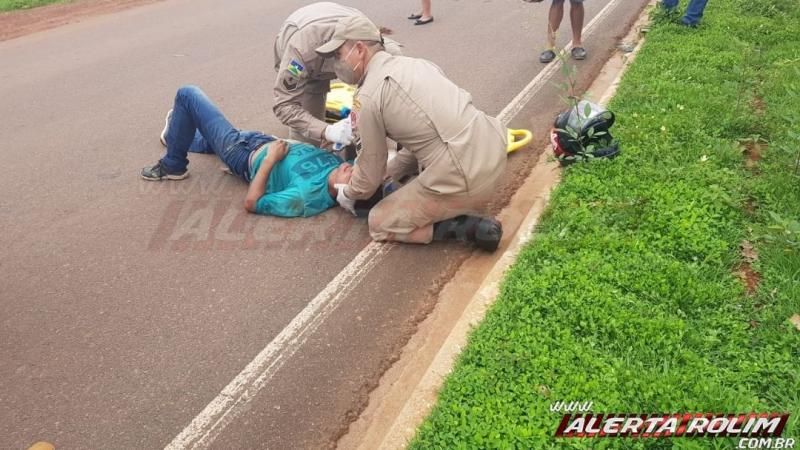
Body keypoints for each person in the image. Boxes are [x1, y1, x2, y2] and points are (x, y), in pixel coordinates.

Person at [316, 16, 507, 251]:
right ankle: (452, 198)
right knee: (404, 168)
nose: (336, 65)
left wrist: (348, 192)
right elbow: (427, 134)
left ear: (359, 49)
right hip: (495, 149)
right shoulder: (417, 64)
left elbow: (367, 180)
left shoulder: (366, 98)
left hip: (467, 175)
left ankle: (468, 227)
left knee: (380, 221)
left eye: (338, 55)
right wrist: (392, 171)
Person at [141, 85, 355, 218]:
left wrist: (270, 160)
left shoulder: (305, 197)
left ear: (345, 193)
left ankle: (173, 165)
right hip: (262, 140)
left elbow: (252, 203)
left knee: (187, 94)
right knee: (207, 135)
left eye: (353, 178)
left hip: (242, 154)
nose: (352, 169)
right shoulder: (341, 167)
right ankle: (175, 132)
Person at [273, 2, 402, 147]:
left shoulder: (379, 47)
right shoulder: (300, 54)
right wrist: (325, 131)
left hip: (339, 18)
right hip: (302, 46)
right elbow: (285, 104)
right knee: (308, 138)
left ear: (361, 49)